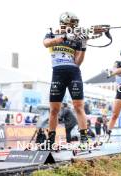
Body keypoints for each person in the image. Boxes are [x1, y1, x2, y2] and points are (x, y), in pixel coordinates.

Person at [43, 12, 89, 150]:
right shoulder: (51, 33)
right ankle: (50, 139)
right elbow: (46, 44)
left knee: (78, 106)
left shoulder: (75, 38)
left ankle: (84, 139)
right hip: (57, 72)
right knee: (54, 109)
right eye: (73, 23)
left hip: (73, 72)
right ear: (65, 22)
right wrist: (63, 37)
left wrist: (84, 46)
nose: (75, 25)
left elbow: (77, 62)